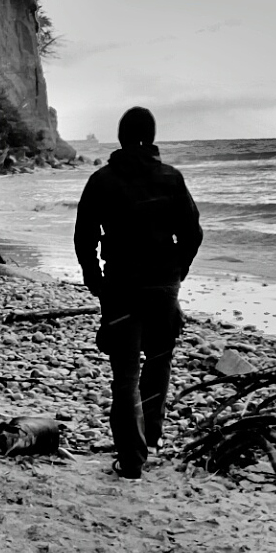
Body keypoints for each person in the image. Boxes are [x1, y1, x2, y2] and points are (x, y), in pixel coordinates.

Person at [73, 106, 202, 479]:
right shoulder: (170, 178)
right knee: (159, 362)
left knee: (125, 376)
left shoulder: (102, 180)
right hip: (163, 287)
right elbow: (192, 234)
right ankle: (151, 438)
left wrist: (93, 278)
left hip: (122, 288)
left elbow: (84, 237)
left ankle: (132, 458)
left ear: (121, 137)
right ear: (153, 136)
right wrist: (179, 271)